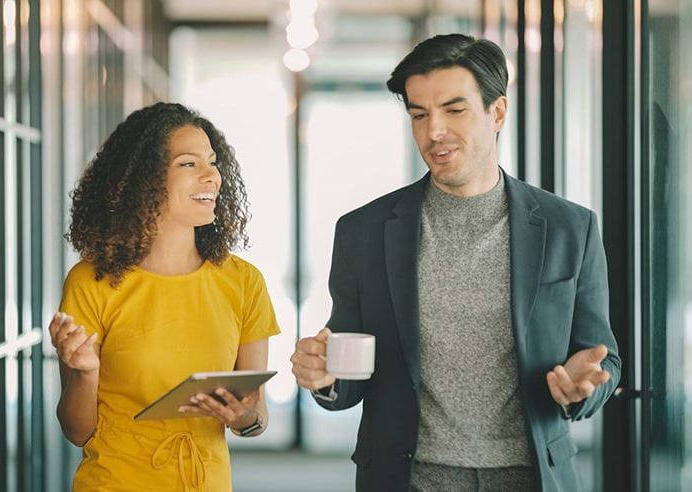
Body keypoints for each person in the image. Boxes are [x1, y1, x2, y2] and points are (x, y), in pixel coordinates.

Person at [289, 34, 620, 491]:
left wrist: (585, 389)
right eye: (419, 115)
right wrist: (324, 377)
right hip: (411, 478)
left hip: (531, 477)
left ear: (497, 112)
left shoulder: (570, 228)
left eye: (454, 110)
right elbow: (349, 366)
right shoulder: (363, 232)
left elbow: (604, 356)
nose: (434, 131)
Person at [49, 102, 280, 491]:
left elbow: (256, 417)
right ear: (145, 180)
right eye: (189, 164)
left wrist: (244, 417)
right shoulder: (92, 280)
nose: (212, 177)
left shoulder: (244, 282)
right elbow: (77, 430)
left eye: (213, 162)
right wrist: (85, 373)